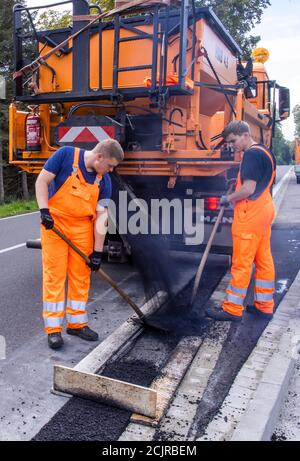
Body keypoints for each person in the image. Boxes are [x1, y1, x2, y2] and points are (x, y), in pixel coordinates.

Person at [35, 139, 124, 349]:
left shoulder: (105, 180)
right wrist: (44, 211)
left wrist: (97, 252)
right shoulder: (66, 155)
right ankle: (54, 329)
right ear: (99, 156)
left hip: (83, 229)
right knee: (54, 276)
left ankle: (76, 323)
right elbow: (42, 181)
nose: (111, 170)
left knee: (80, 277)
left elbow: (102, 216)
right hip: (55, 226)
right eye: (110, 165)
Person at [206, 121, 276, 322]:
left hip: (249, 213)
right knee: (263, 259)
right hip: (264, 210)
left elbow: (249, 189)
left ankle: (232, 309)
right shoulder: (265, 152)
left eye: (233, 141)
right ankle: (265, 306)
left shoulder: (251, 155)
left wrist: (227, 199)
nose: (232, 146)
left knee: (242, 262)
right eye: (229, 143)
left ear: (245, 135)